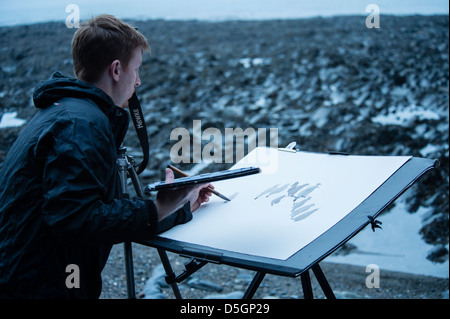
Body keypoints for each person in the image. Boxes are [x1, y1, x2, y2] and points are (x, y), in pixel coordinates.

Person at [0, 14, 212, 298]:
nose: (137, 81)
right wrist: (158, 208)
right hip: (39, 288)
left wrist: (179, 208)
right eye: (136, 69)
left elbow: (97, 208)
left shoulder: (64, 111)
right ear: (116, 70)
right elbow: (76, 220)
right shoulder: (81, 125)